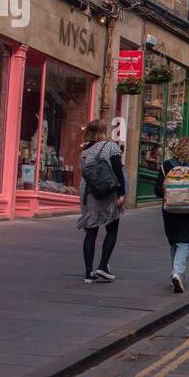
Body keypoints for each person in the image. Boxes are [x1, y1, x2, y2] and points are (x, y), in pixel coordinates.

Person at [154, 135, 189, 293]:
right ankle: (177, 273)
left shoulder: (167, 165)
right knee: (185, 242)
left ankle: (177, 274)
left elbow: (158, 190)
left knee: (175, 241)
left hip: (170, 210)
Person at [77, 119, 125, 283]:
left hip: (89, 193)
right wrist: (121, 193)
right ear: (104, 131)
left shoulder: (84, 150)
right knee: (112, 228)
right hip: (107, 192)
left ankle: (88, 272)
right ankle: (103, 266)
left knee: (91, 232)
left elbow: (83, 172)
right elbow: (118, 171)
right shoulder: (110, 147)